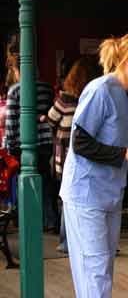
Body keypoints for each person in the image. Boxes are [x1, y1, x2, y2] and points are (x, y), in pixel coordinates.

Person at [59, 30, 128, 298]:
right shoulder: (100, 89)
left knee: (102, 270)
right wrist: (126, 154)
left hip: (109, 194)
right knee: (96, 270)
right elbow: (80, 143)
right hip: (86, 194)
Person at [45, 56, 101, 253]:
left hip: (65, 156)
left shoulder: (65, 99)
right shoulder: (93, 100)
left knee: (67, 199)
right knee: (83, 200)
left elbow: (50, 120)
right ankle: (80, 241)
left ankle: (66, 241)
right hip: (87, 157)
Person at [5, 43, 57, 232]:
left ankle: (27, 221)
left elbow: (11, 121)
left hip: (23, 144)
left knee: (24, 183)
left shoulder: (15, 91)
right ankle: (51, 220)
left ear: (19, 70)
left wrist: (9, 145)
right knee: (45, 181)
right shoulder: (47, 88)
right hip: (46, 141)